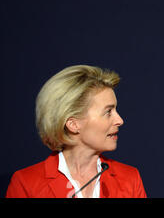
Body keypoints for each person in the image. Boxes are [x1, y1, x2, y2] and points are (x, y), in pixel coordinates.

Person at [6, 65, 147, 198]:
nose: (120, 120)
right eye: (108, 112)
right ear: (73, 124)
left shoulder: (130, 179)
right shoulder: (26, 184)